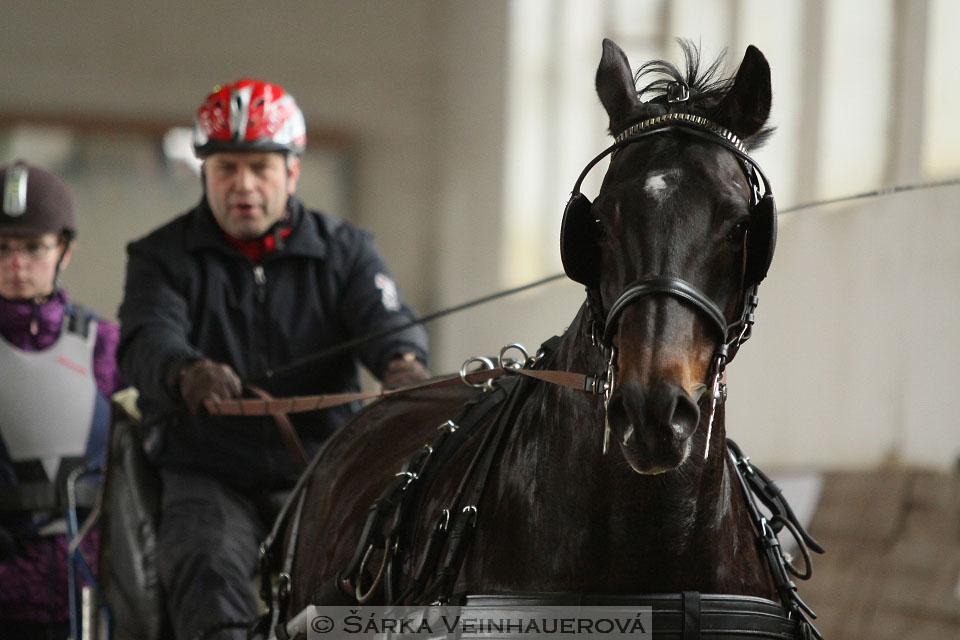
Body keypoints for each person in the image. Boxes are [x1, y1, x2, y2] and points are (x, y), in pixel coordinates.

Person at [117, 78, 430, 640]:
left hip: (325, 471)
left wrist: (403, 364)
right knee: (205, 561)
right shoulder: (159, 258)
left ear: (292, 171)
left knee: (369, 576)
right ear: (204, 172)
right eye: (226, 168)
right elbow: (144, 339)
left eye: (260, 168)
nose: (243, 185)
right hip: (207, 473)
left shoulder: (347, 250)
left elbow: (387, 321)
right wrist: (186, 371)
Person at [0, 161, 124, 639]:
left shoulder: (105, 345)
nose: (17, 264)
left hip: (92, 587)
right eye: (3, 248)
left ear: (63, 250)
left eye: (33, 247)